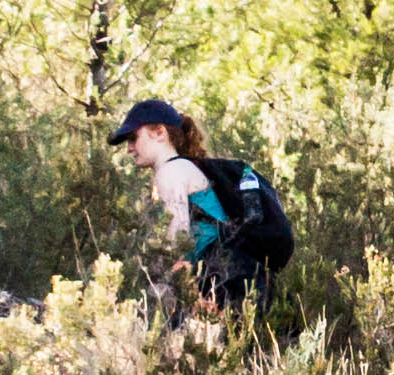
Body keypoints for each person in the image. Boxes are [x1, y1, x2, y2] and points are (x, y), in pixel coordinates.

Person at [112, 98, 293, 309]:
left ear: (160, 132)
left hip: (223, 285)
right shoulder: (187, 168)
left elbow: (176, 243)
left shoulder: (170, 172)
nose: (129, 148)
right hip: (244, 280)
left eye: (133, 138)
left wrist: (163, 298)